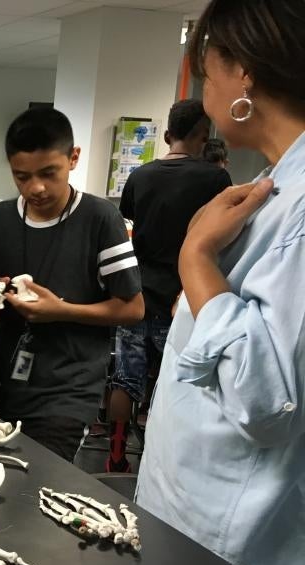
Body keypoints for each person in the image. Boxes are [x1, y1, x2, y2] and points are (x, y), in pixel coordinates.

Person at [135, 0, 305, 565]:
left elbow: (265, 403)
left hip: (231, 543)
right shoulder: (277, 185)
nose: (205, 96)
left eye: (207, 73)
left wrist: (197, 261)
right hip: (192, 514)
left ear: (243, 71)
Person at [0, 108, 144, 461]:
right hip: (3, 384)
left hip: (68, 391)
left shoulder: (100, 219)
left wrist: (61, 311)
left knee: (35, 483)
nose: (36, 188)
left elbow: (132, 308)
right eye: (22, 177)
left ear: (73, 158)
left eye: (48, 173)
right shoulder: (0, 218)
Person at [104, 99, 231, 473]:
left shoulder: (140, 175)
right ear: (203, 136)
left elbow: (130, 217)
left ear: (166, 134)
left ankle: (115, 453)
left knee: (126, 375)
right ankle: (163, 457)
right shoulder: (215, 179)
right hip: (184, 293)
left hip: (137, 289)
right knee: (175, 377)